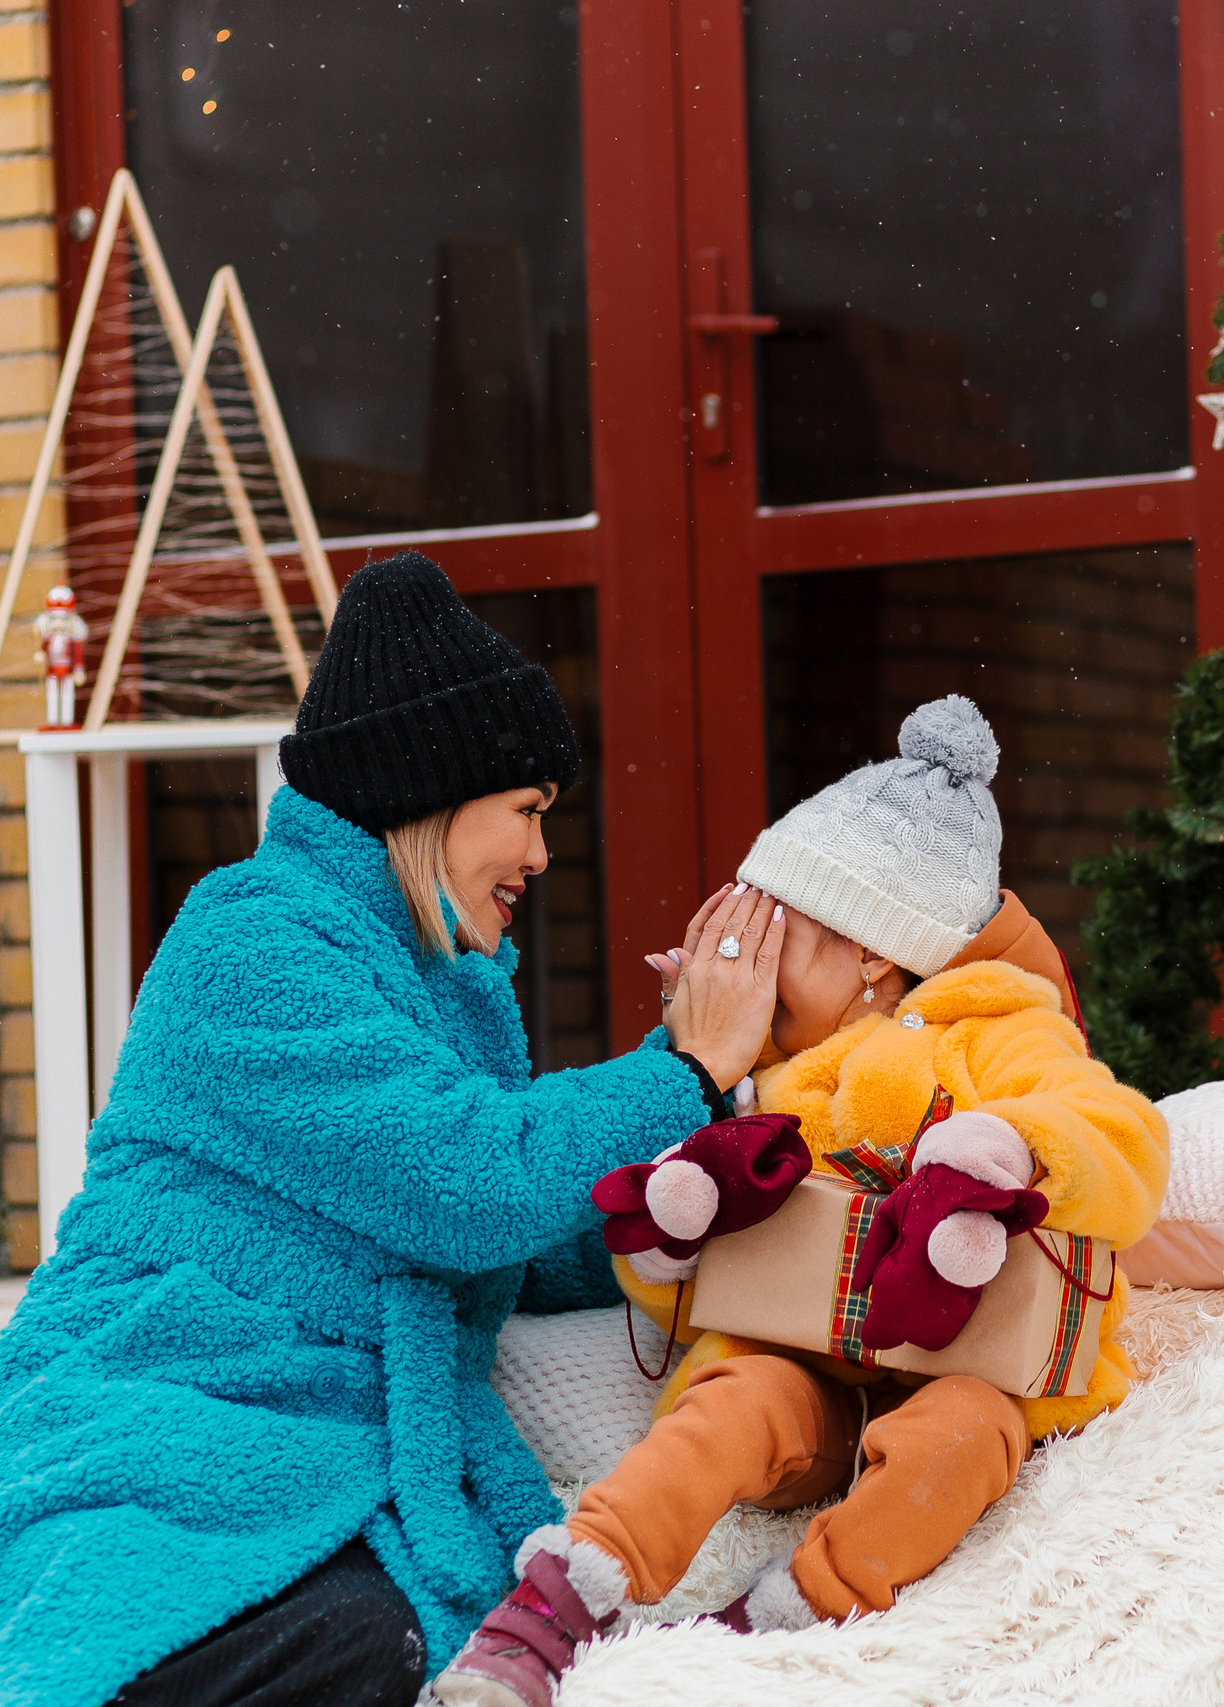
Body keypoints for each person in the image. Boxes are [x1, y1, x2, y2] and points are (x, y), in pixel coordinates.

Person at [0, 552, 785, 1707]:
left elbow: (486, 1234)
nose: (542, 857)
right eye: (527, 812)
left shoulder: (434, 980)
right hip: (163, 1396)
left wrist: (684, 1200)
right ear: (437, 795)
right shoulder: (250, 942)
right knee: (331, 1637)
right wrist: (686, 1070)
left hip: (302, 1426)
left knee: (381, 1637)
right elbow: (467, 1178)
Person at [435, 696, 1170, 1707]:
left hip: (971, 1367)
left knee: (955, 1438)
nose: (747, 958)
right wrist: (670, 1254)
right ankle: (559, 1602)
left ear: (873, 950)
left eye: (780, 931)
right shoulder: (763, 1081)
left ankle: (798, 1608)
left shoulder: (997, 1030)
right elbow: (701, 1300)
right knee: (727, 1403)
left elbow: (1122, 1136)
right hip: (808, 1374)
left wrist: (1012, 1145)